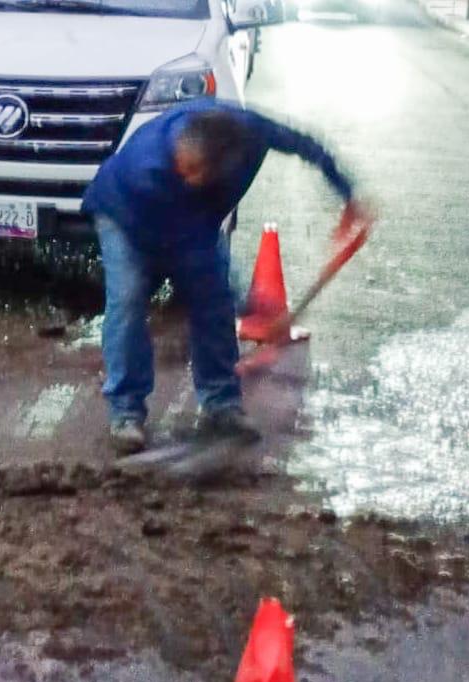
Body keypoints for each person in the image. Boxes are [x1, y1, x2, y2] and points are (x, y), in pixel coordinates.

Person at [82, 98, 367, 455]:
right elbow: (197, 262)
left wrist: (348, 195)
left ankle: (221, 405)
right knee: (128, 299)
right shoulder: (151, 168)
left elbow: (308, 146)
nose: (188, 176)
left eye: (196, 171)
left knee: (213, 306)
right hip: (124, 213)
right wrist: (255, 307)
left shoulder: (250, 131)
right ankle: (125, 413)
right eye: (184, 168)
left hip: (193, 220)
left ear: (228, 162)